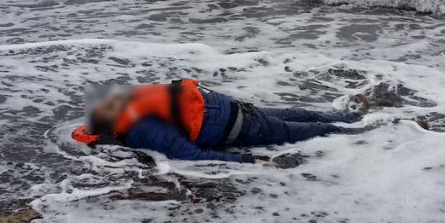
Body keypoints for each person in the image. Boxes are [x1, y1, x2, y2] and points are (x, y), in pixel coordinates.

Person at [72, 78, 368, 163]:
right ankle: (349, 116)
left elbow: (193, 154)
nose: (104, 143)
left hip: (237, 125)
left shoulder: (143, 132)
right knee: (291, 113)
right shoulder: (133, 101)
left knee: (299, 131)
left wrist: (246, 161)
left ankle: (366, 133)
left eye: (100, 139)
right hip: (225, 105)